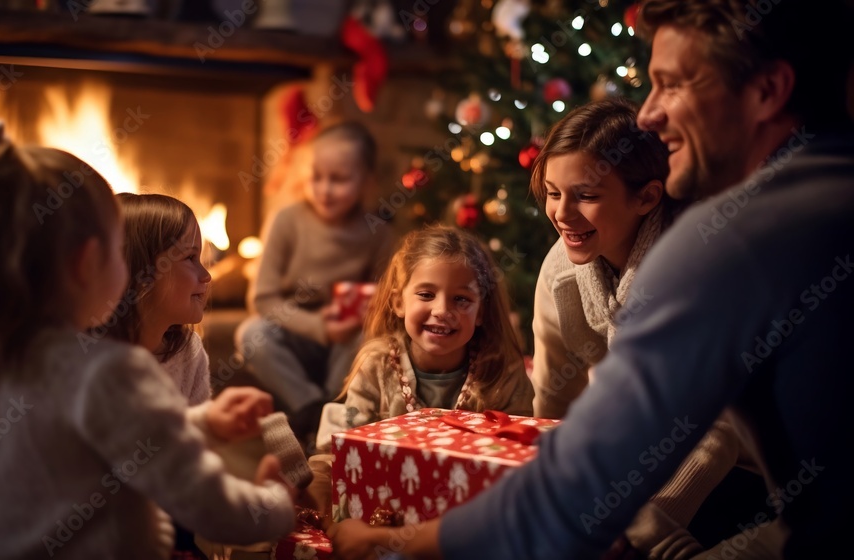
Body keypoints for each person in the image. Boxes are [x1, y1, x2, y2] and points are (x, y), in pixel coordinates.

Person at [328, 0, 854, 558]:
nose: (648, 116)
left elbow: (576, 494)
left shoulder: (728, 242)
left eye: (672, 85)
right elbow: (558, 418)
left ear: (768, 91)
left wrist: (391, 544)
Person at [0, 124, 296, 559]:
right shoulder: (107, 371)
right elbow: (207, 504)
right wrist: (276, 505)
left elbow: (93, 442)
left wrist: (200, 425)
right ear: (88, 262)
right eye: (118, 247)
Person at [530, 98, 759, 557]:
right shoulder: (561, 271)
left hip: (751, 471)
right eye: (554, 192)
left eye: (587, 195)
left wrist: (647, 522)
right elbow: (555, 401)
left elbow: (719, 429)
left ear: (648, 197)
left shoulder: (698, 265)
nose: (562, 213)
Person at [303, 224, 535, 524]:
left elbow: (520, 457)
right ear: (399, 302)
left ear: (480, 312)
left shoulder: (502, 371)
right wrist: (317, 494)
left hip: (471, 519)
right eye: (426, 294)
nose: (442, 310)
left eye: (461, 300)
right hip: (384, 513)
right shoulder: (377, 364)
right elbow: (343, 449)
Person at [235, 121, 395, 443]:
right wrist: (318, 327)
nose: (324, 189)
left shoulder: (377, 232)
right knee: (251, 334)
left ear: (366, 182)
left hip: (346, 340)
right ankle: (313, 409)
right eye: (316, 177)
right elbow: (263, 299)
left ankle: (332, 409)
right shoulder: (287, 220)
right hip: (293, 328)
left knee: (370, 338)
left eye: (338, 180)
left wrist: (360, 314)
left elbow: (387, 296)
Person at [107, 192, 213, 406]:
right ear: (140, 272)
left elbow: (196, 436)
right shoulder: (91, 364)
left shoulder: (189, 352)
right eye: (190, 258)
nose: (207, 275)